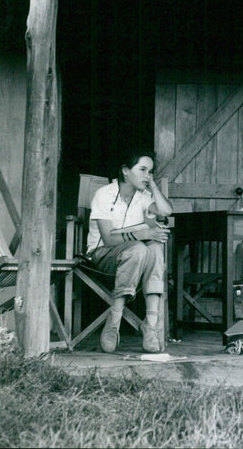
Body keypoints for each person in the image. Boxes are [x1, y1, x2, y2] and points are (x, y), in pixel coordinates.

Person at [85, 150, 173, 353]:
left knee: (155, 249)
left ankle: (149, 324)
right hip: (102, 257)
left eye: (150, 171)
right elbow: (107, 240)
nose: (147, 175)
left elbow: (166, 211)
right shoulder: (104, 195)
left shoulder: (143, 197)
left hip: (134, 260)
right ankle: (114, 321)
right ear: (125, 171)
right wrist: (144, 233)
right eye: (142, 170)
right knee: (139, 249)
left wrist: (152, 186)